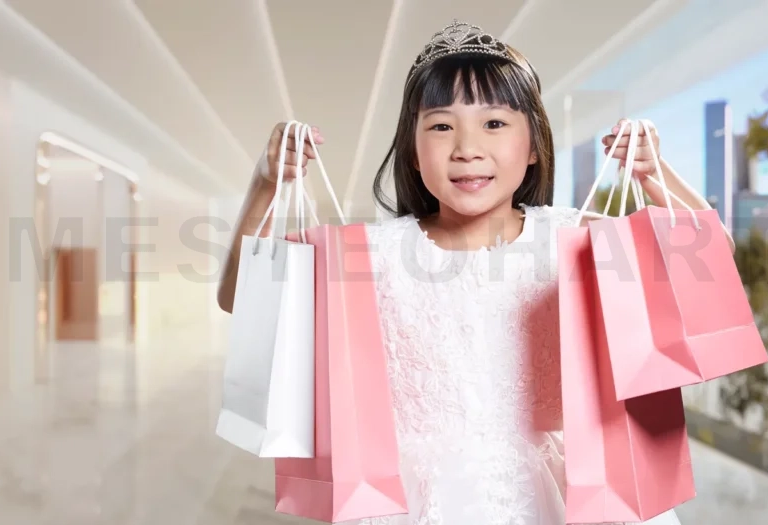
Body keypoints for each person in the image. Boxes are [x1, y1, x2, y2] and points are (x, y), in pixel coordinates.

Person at [216, 19, 729, 525]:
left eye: (495, 123)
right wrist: (265, 185)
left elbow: (711, 261)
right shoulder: (374, 252)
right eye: (441, 126)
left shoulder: (572, 238)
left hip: (556, 491)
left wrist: (656, 176)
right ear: (413, 153)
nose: (467, 148)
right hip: (411, 498)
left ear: (532, 146)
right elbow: (240, 295)